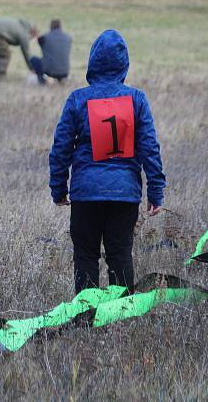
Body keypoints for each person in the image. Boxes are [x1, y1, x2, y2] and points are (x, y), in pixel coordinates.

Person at [49, 29, 166, 295]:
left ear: (92, 62)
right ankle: (120, 313)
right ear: (124, 64)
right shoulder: (137, 99)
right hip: (124, 195)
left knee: (86, 256)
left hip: (85, 194)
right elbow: (150, 148)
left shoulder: (78, 99)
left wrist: (59, 189)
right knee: (120, 255)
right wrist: (156, 192)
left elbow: (61, 148)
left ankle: (85, 315)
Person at [31, 19, 72, 85]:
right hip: (65, 72)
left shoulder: (45, 37)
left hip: (49, 71)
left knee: (33, 59)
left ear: (50, 27)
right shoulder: (68, 38)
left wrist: (36, 33)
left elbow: (40, 41)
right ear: (60, 27)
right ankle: (60, 80)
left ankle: (42, 81)